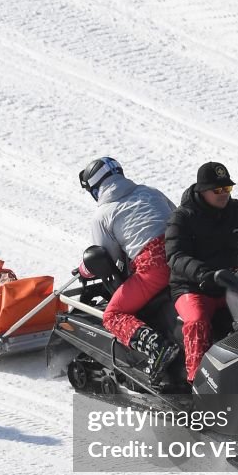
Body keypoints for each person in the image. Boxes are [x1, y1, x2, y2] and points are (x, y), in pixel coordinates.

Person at [77, 157, 179, 375]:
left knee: (113, 315)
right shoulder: (151, 192)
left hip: (155, 268)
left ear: (96, 188)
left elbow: (103, 255)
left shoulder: (103, 214)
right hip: (183, 258)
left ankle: (158, 348)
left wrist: (84, 270)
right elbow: (178, 217)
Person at [165, 161, 238, 384]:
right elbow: (175, 256)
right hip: (193, 287)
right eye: (217, 190)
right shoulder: (182, 218)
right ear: (202, 191)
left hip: (230, 284)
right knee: (198, 321)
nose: (224, 195)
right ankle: (196, 382)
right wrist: (203, 273)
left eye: (227, 189)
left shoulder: (236, 210)